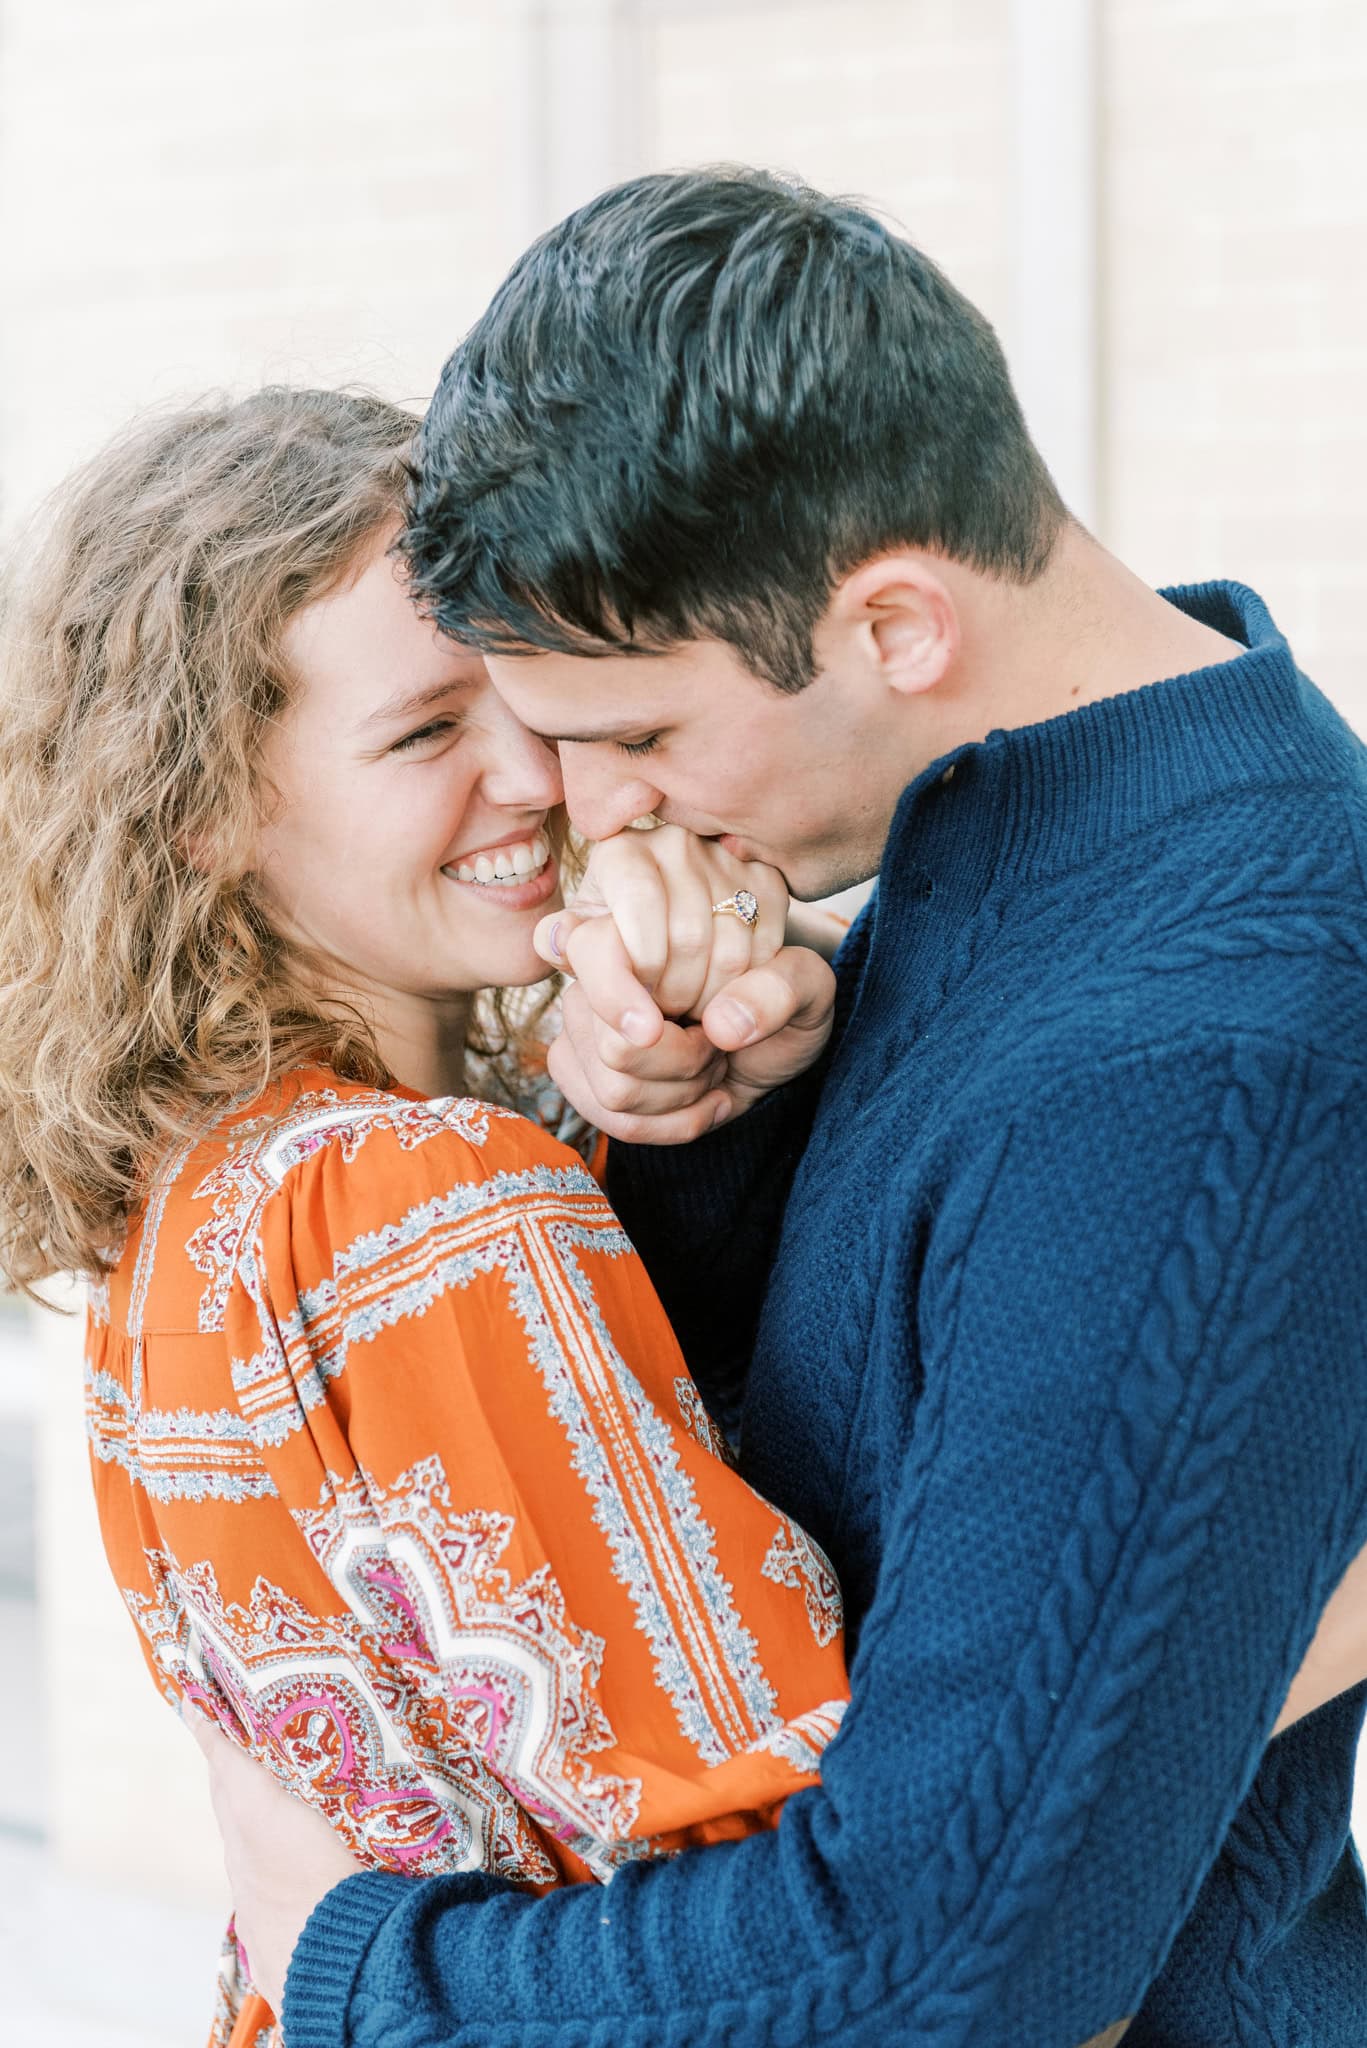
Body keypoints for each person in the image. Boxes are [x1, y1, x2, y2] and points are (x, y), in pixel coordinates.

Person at [224, 171, 1367, 2047]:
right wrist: (711, 1126)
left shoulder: (1196, 1055)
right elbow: (838, 1511)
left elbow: (942, 1957)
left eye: (638, 736)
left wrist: (365, 1974)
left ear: (896, 623)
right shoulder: (1018, 835)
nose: (593, 813)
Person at [0, 386, 850, 2048]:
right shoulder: (423, 1203)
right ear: (201, 813)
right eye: (421, 735)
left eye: (520, 684)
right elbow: (791, 1877)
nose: (532, 773)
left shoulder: (187, 1206)